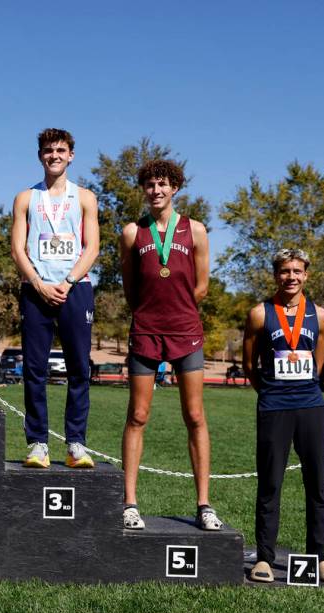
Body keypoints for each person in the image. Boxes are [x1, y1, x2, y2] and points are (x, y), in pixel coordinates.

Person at [119, 159, 222, 530]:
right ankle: (130, 503)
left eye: (162, 184)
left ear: (175, 187)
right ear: (143, 190)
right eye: (149, 185)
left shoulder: (195, 230)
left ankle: (204, 504)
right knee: (138, 415)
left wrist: (177, 311)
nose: (156, 190)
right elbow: (130, 287)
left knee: (195, 416)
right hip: (146, 332)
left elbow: (202, 286)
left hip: (186, 331)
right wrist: (150, 314)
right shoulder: (132, 232)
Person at [242, 249, 324, 583]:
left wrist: (302, 388)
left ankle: (320, 556)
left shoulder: (321, 315)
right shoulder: (259, 314)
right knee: (271, 483)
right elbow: (249, 365)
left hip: (311, 406)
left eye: (298, 271)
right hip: (274, 407)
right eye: (285, 271)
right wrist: (271, 391)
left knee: (317, 485)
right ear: (276, 275)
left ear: (306, 275)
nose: (291, 277)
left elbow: (317, 361)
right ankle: (265, 559)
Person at [10, 128, 100, 469]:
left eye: (61, 150)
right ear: (40, 155)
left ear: (71, 155)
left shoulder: (86, 198)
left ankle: (76, 443)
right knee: (34, 369)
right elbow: (18, 248)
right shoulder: (25, 198)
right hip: (36, 289)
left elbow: (92, 247)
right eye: (48, 150)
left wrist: (68, 280)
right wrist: (37, 282)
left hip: (75, 288)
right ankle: (37, 444)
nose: (55, 155)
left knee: (79, 368)